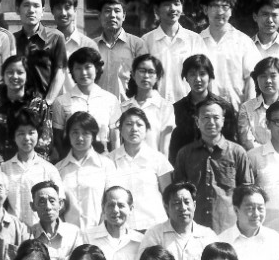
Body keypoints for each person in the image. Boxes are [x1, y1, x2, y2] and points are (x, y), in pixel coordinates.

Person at [171, 96, 258, 231]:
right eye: (205, 117)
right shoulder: (184, 154)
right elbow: (178, 193)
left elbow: (248, 193)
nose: (211, 122)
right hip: (195, 228)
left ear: (223, 121)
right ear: (197, 121)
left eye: (216, 117)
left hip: (228, 228)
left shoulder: (237, 152)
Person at [139, 182, 216, 260]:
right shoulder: (154, 235)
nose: (183, 208)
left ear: (194, 205)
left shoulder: (208, 236)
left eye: (187, 202)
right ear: (166, 208)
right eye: (176, 203)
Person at [107, 105, 171, 232]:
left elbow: (169, 195)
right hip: (121, 227)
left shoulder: (158, 159)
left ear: (147, 130)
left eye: (139, 125)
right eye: (129, 124)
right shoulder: (109, 160)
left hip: (155, 226)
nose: (134, 129)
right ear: (120, 129)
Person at [166, 54, 240, 159]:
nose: (197, 79)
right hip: (186, 164)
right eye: (192, 74)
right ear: (186, 78)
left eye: (202, 74)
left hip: (218, 163)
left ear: (210, 77)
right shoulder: (176, 109)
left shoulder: (224, 107)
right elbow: (173, 148)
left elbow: (232, 143)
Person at [49, 48, 121, 150]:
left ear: (97, 68)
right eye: (78, 68)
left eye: (88, 67)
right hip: (72, 157)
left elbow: (115, 138)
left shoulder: (110, 100)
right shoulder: (61, 102)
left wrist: (114, 158)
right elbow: (58, 138)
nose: (83, 72)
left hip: (103, 157)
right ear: (72, 71)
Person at [196, 0, 256, 107]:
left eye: (225, 6)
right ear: (205, 9)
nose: (220, 12)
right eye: (215, 6)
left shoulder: (243, 42)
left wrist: (248, 112)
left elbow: (252, 79)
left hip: (237, 111)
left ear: (231, 11)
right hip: (204, 113)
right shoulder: (197, 42)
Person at [140, 0, 200, 104]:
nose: (173, 9)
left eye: (177, 4)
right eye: (167, 4)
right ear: (156, 9)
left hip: (188, 106)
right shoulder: (146, 41)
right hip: (155, 106)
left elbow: (204, 75)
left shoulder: (194, 40)